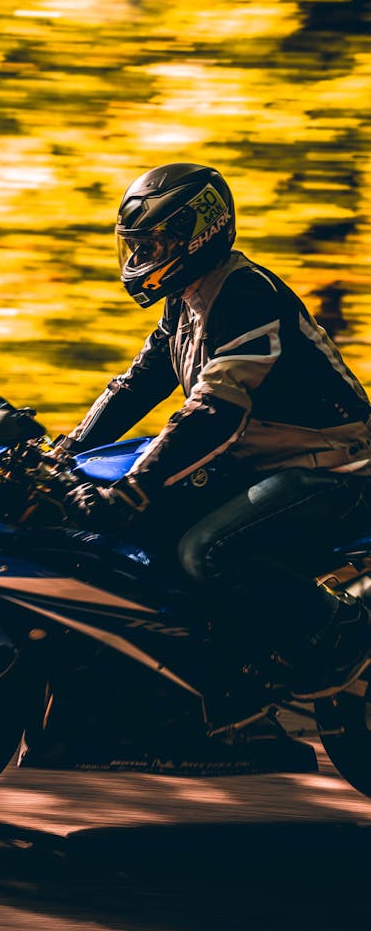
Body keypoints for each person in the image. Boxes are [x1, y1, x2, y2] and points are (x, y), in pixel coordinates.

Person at [59, 162, 371, 702]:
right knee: (148, 532)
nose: (141, 258)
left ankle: (340, 632)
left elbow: (214, 412)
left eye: (153, 243)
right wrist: (68, 448)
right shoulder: (186, 302)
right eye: (136, 245)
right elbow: (136, 384)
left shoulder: (246, 292)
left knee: (206, 551)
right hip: (265, 461)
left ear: (197, 233)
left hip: (331, 464)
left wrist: (134, 485)